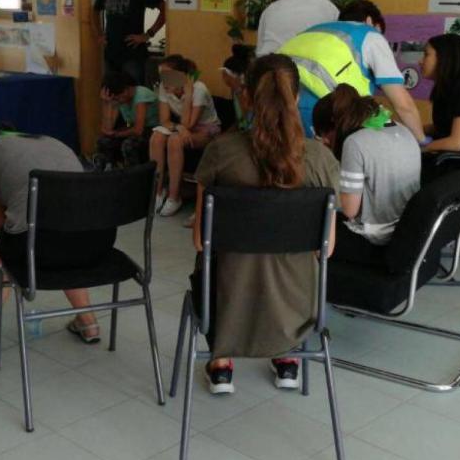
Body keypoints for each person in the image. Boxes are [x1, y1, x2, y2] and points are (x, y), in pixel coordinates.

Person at [193, 54, 340, 394]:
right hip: (299, 312)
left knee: (222, 264)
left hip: (224, 310)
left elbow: (201, 241)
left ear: (245, 97)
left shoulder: (221, 152)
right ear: (298, 98)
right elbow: (327, 248)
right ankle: (287, 355)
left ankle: (221, 361)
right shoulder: (320, 159)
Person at [0, 130, 104, 364]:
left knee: (2, 260)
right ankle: (89, 323)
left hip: (40, 243)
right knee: (63, 241)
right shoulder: (57, 141)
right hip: (92, 242)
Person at [278, 0, 424, 140]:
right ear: (369, 21)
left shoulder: (314, 31)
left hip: (283, 110)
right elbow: (403, 105)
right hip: (327, 116)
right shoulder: (371, 35)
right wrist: (421, 140)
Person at [312, 85, 420, 263]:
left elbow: (349, 209)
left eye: (322, 137)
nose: (325, 143)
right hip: (406, 229)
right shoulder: (398, 127)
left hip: (376, 236)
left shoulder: (355, 143)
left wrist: (328, 166)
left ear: (332, 128)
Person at [149, 54, 220, 217]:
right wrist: (179, 127)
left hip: (206, 130)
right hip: (182, 126)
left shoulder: (199, 89)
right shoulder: (164, 88)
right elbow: (165, 120)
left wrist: (188, 95)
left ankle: (174, 197)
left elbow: (190, 124)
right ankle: (158, 192)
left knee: (175, 140)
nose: (165, 80)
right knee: (156, 137)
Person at [254, 0, 339, 56]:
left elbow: (260, 50)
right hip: (319, 62)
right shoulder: (323, 2)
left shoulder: (270, 10)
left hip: (278, 66)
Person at [93, 71, 159, 170]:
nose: (117, 101)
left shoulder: (141, 94)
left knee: (129, 145)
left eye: (117, 98)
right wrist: (107, 103)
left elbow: (138, 130)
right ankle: (104, 173)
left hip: (153, 129)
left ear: (126, 90)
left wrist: (116, 134)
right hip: (132, 128)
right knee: (103, 141)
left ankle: (134, 177)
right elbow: (108, 127)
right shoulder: (120, 99)